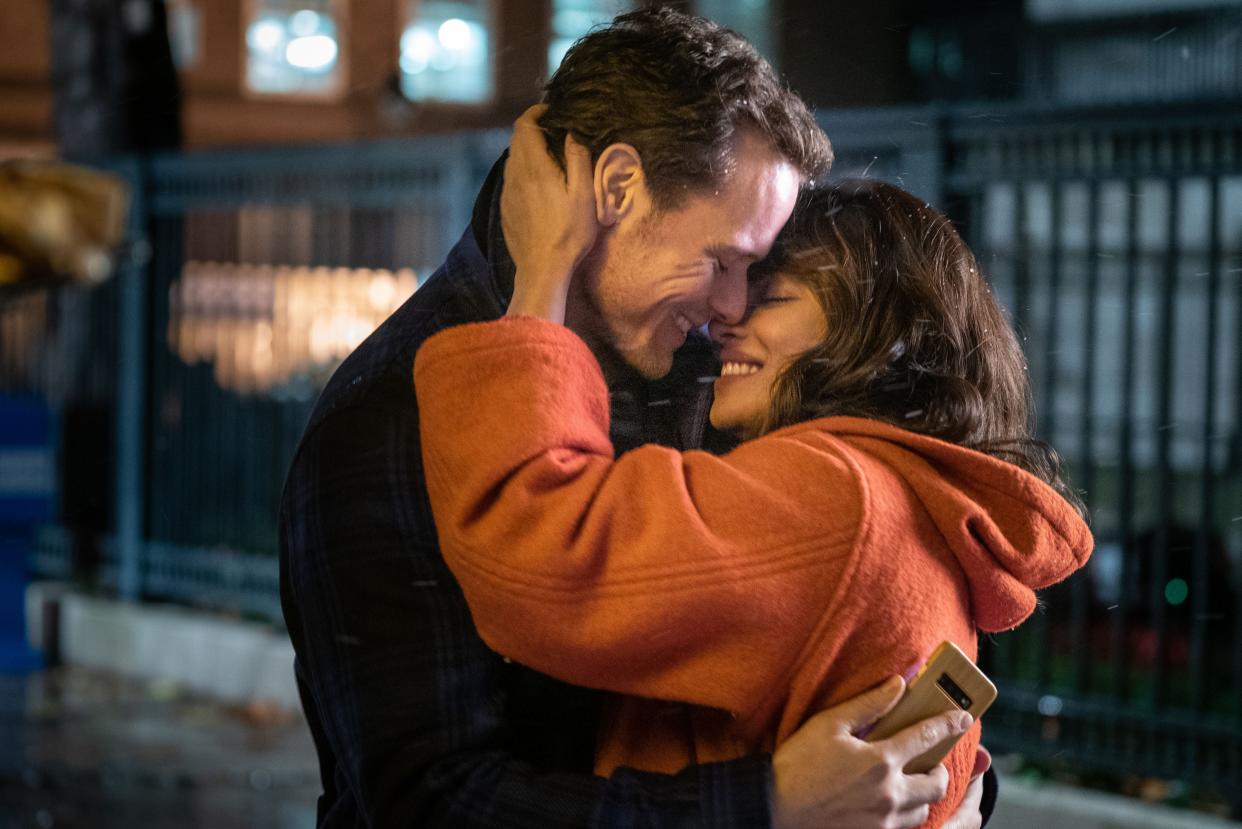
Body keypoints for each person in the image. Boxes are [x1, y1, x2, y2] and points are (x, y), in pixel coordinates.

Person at [280, 8, 991, 827]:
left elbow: (844, 622)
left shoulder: (698, 371)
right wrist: (766, 805)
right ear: (616, 188)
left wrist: (953, 790)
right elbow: (432, 803)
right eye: (722, 261)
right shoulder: (383, 417)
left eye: (756, 274)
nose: (730, 308)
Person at [413, 117, 1093, 826]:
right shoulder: (911, 492)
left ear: (882, 335)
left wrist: (544, 276)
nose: (726, 316)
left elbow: (540, 559)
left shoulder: (837, 492)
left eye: (771, 297)